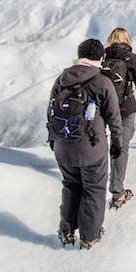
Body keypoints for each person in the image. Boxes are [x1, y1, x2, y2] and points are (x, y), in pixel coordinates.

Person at [47, 38, 123, 249]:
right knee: (94, 189)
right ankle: (89, 236)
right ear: (100, 57)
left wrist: (53, 138)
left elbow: (51, 111)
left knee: (70, 185)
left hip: (63, 146)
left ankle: (66, 230)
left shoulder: (62, 79)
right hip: (91, 148)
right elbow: (114, 117)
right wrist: (117, 143)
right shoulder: (102, 82)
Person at [103, 28, 136, 209]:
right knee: (121, 145)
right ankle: (117, 191)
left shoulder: (102, 58)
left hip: (105, 108)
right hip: (126, 107)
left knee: (100, 144)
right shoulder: (131, 58)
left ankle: (94, 185)